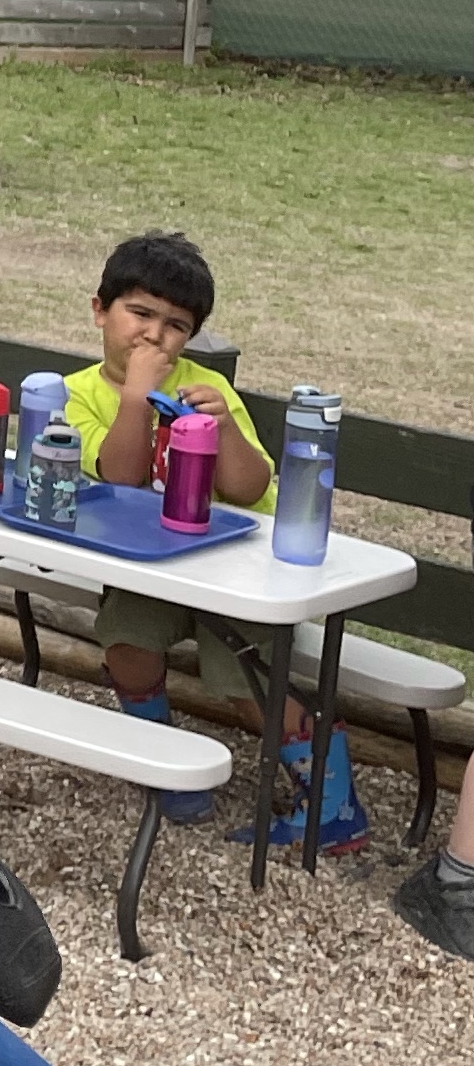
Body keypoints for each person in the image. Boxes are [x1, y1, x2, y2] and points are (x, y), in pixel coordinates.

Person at [68, 227, 365, 854]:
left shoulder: (207, 386)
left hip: (240, 565)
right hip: (152, 564)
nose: (154, 336)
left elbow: (253, 486)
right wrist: (135, 399)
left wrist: (224, 425)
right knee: (126, 643)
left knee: (243, 679)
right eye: (139, 313)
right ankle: (163, 762)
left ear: (192, 335)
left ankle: (333, 805)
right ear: (100, 310)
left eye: (175, 325)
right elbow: (118, 476)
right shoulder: (77, 395)